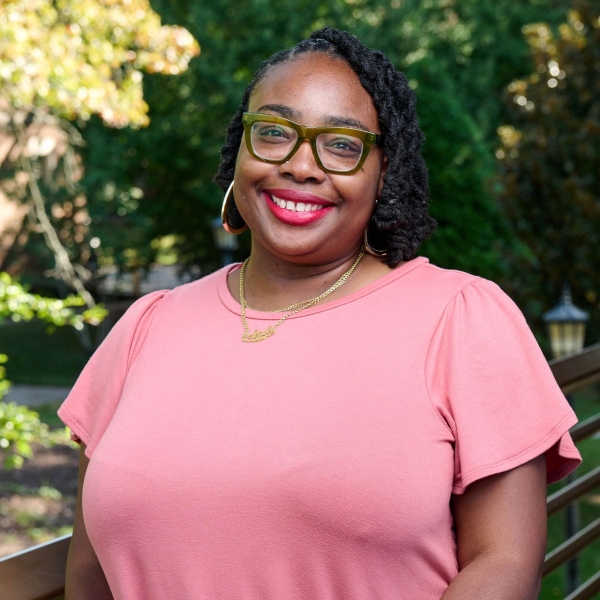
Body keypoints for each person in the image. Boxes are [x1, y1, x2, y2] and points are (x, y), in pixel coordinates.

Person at [59, 27, 581, 600]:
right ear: (240, 150)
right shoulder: (146, 326)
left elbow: (503, 564)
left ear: (384, 171)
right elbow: (88, 576)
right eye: (275, 133)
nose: (302, 165)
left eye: (341, 144)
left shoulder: (461, 319)